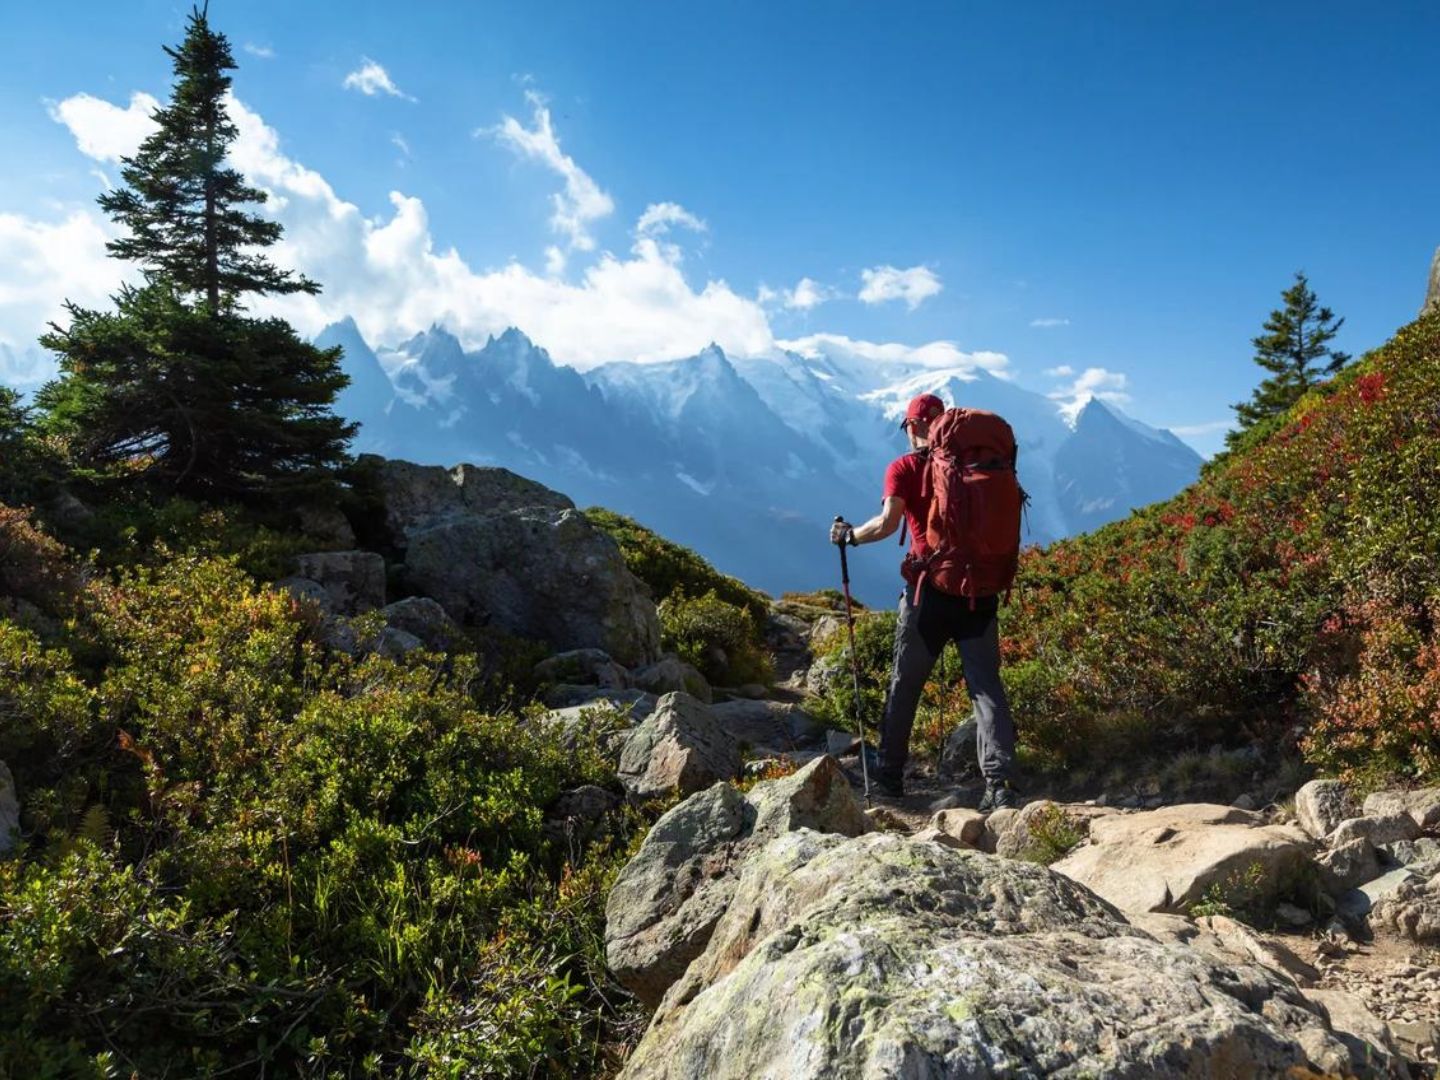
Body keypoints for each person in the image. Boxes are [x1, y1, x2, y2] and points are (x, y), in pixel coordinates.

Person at [830, 392, 1019, 810]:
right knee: (986, 689)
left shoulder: (905, 467)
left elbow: (886, 524)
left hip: (928, 595)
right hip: (980, 592)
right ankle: (1001, 785)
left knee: (905, 685)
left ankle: (890, 778)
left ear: (915, 426)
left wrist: (849, 536)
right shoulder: (981, 462)